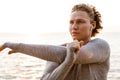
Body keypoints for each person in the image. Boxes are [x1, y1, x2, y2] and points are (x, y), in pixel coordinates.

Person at [0, 3, 110, 80]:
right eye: (71, 22)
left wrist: (17, 46)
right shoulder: (56, 51)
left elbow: (79, 55)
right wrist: (67, 62)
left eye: (80, 22)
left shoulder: (101, 46)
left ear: (93, 25)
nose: (74, 27)